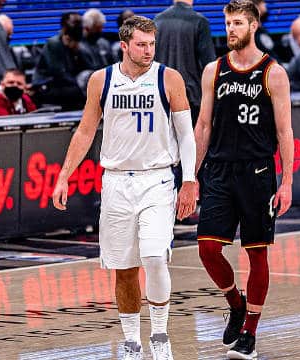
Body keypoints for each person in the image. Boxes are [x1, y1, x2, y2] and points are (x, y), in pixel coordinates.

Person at [51, 15, 197, 360]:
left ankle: (160, 335)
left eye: (152, 44)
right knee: (125, 268)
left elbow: (186, 133)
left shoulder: (168, 78)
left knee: (154, 257)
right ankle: (132, 342)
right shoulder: (101, 81)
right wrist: (63, 175)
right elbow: (86, 131)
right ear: (125, 46)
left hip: (158, 179)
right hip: (116, 182)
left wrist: (189, 179)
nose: (148, 51)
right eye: (141, 45)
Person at [194, 1, 293, 359]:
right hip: (219, 170)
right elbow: (204, 125)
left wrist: (287, 182)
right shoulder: (214, 70)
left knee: (256, 253)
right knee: (207, 248)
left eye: (237, 23)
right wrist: (191, 175)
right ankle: (236, 303)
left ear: (253, 26)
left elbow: (285, 131)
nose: (230, 29)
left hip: (258, 173)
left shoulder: (273, 72)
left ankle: (250, 331)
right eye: (228, 23)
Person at [154, 0, 216, 125]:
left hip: (161, 93)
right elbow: (209, 63)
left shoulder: (157, 20)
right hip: (191, 96)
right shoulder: (199, 21)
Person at [32, 12, 91, 110]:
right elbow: (58, 74)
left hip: (67, 83)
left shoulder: (78, 44)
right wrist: (79, 85)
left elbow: (88, 66)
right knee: (78, 93)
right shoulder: (54, 44)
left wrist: (77, 51)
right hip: (47, 85)